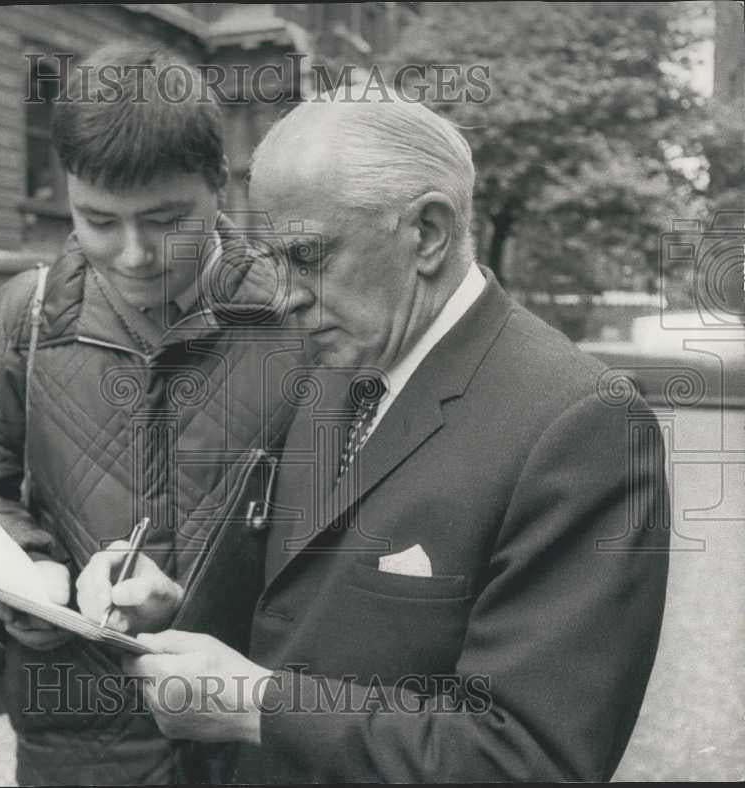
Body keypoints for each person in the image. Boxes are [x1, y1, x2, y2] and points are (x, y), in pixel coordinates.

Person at [83, 93, 672, 781]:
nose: (284, 295)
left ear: (428, 232)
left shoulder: (584, 425)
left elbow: (530, 757)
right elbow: (301, 615)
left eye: (307, 255)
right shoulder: (338, 363)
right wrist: (175, 612)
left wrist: (260, 709)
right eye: (273, 258)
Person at [0, 44, 297, 785]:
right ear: (68, 191)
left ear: (220, 183)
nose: (134, 254)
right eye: (98, 220)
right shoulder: (19, 318)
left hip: (252, 741)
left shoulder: (298, 322)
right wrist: (32, 572)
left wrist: (202, 608)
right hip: (77, 741)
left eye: (166, 220)